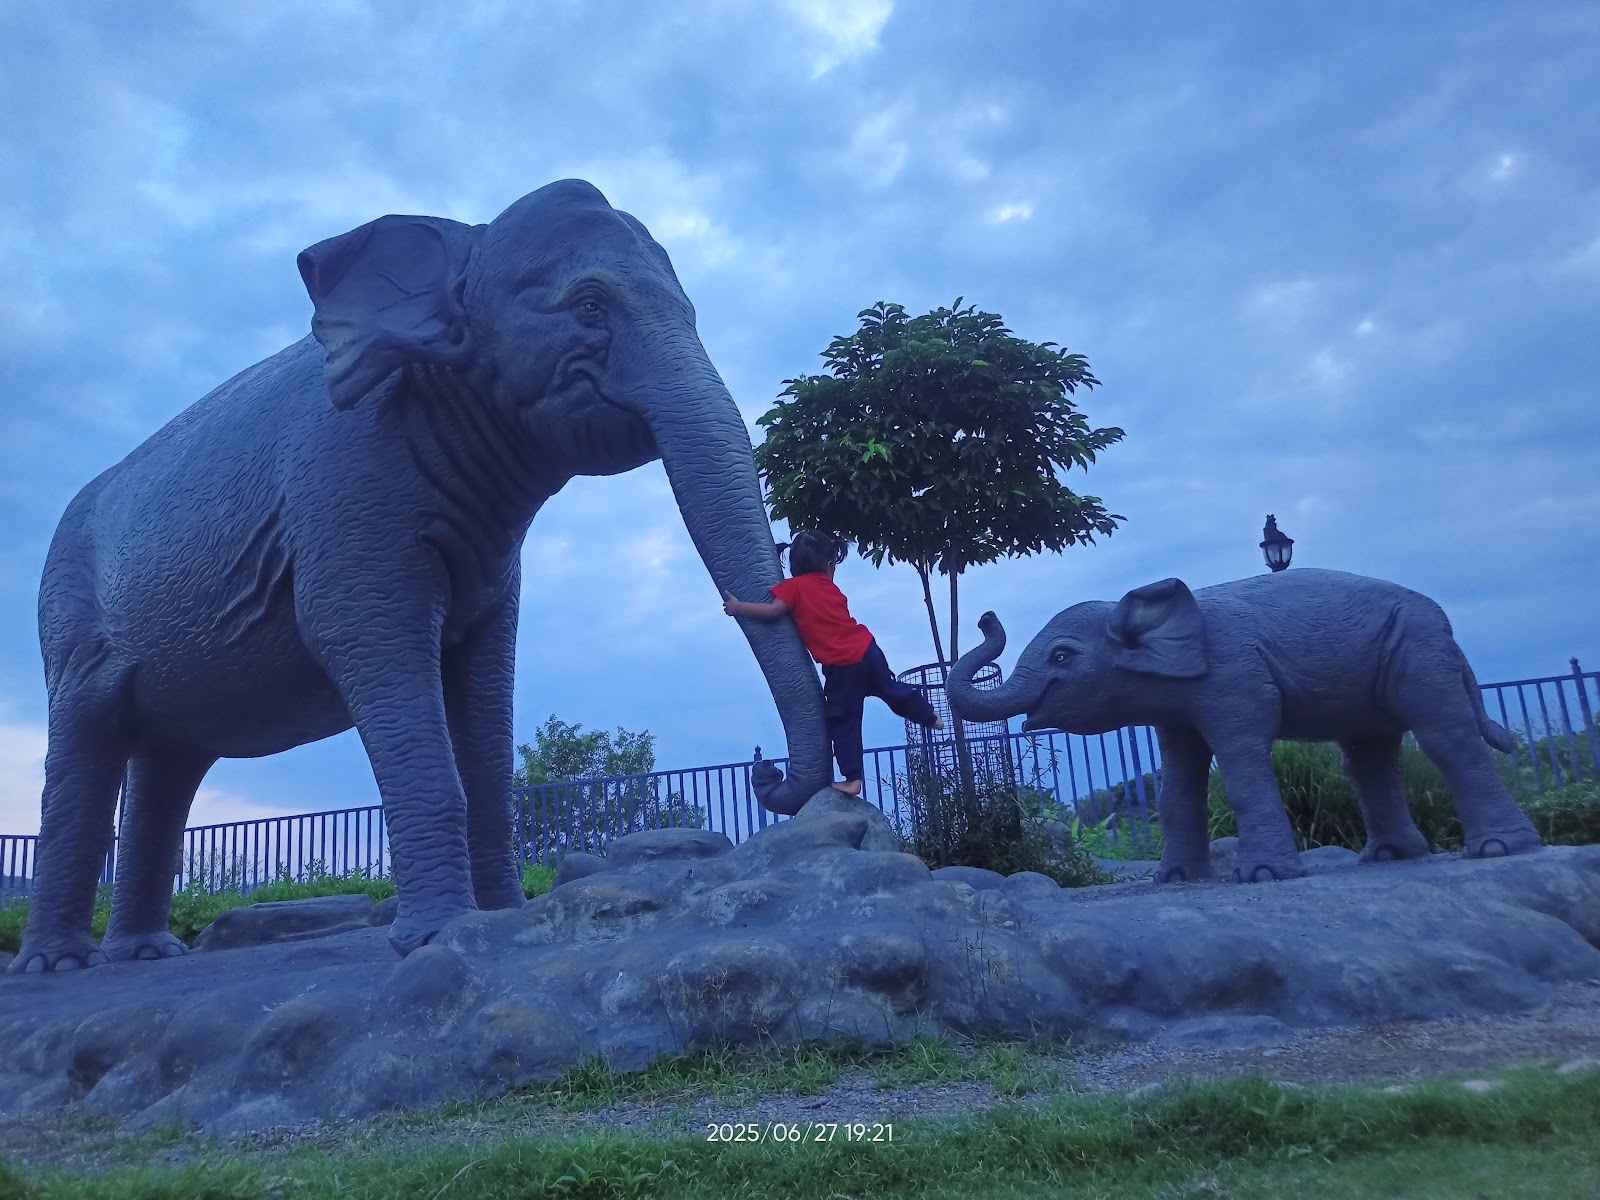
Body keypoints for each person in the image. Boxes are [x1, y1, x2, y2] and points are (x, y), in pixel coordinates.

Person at [723, 530, 943, 796]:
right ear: (829, 565)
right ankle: (928, 715)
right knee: (891, 689)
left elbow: (773, 611)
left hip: (842, 667)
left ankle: (853, 779)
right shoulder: (831, 588)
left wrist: (739, 608)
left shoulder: (793, 587)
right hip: (868, 650)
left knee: (844, 720)